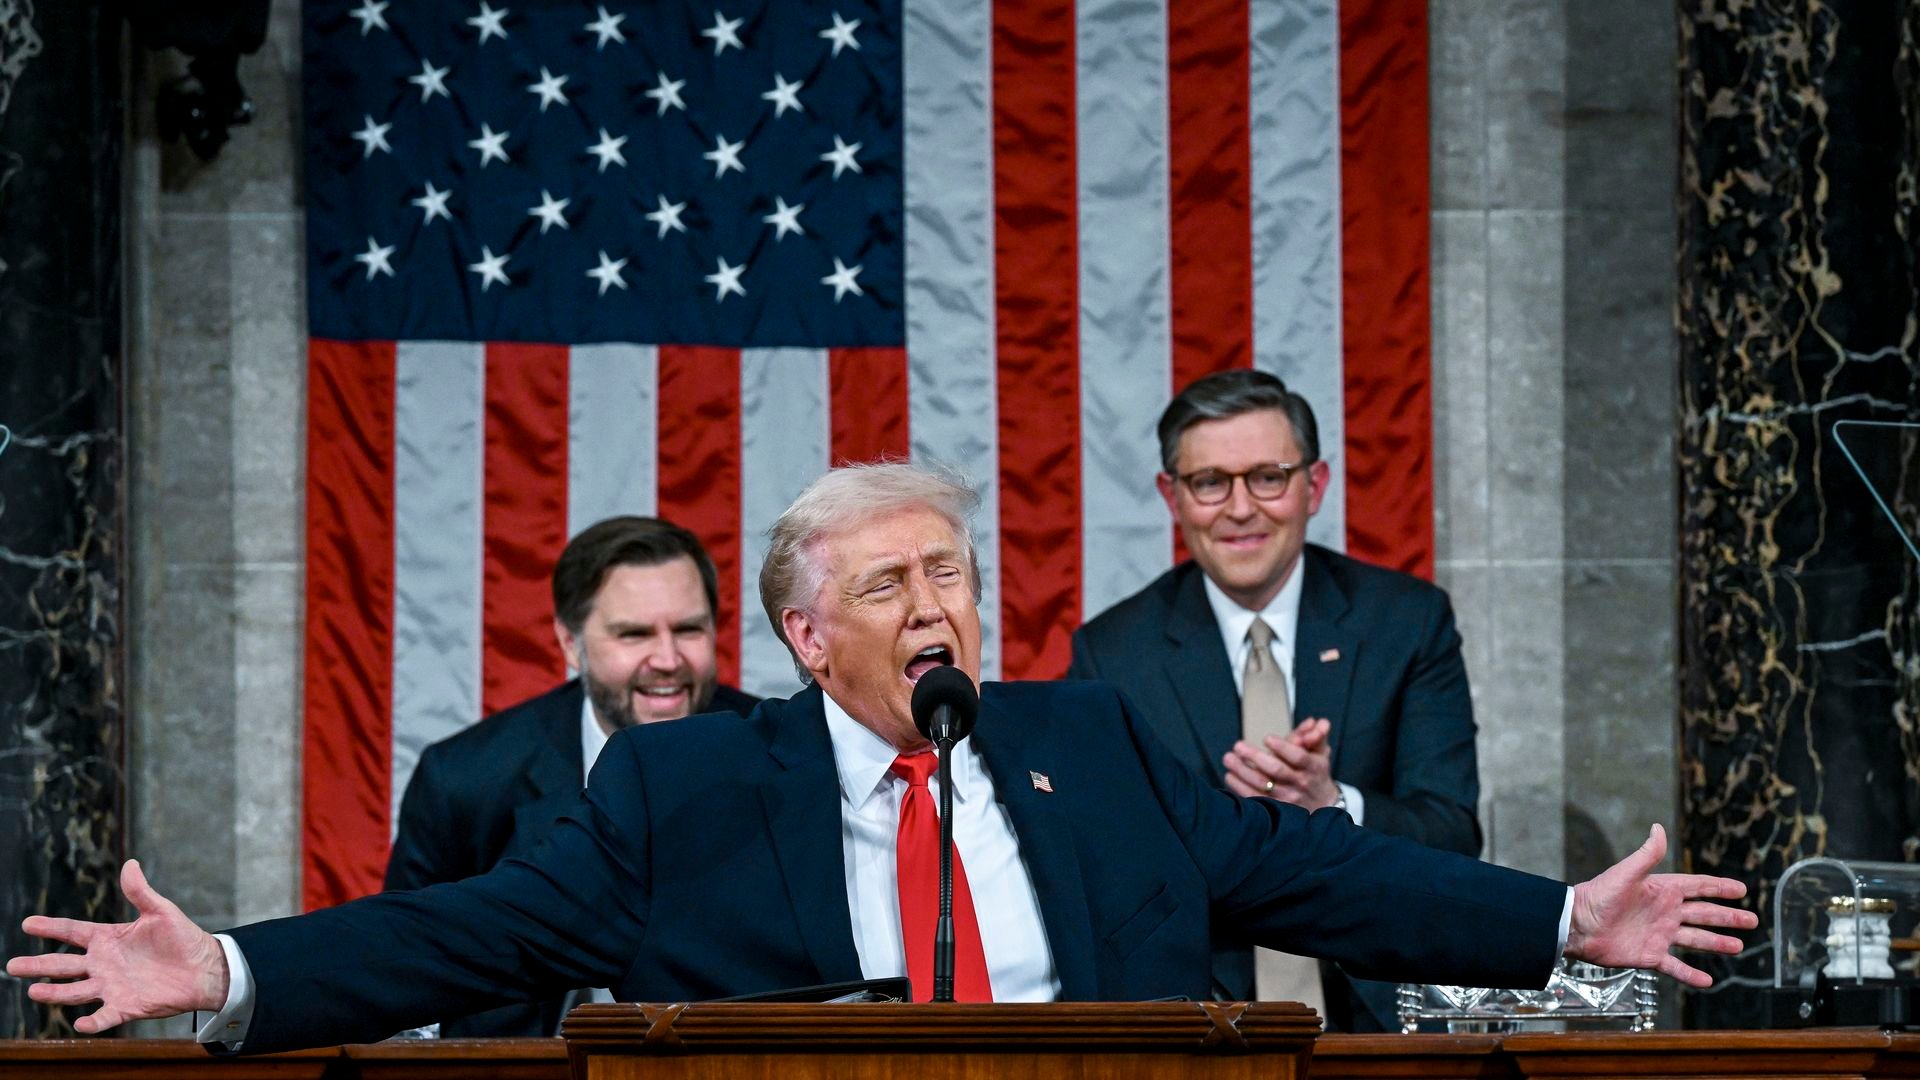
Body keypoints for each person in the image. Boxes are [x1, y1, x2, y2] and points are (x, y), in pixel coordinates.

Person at [8, 464, 1754, 1054]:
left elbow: (1322, 876)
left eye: (956, 575)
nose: (940, 607)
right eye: (893, 583)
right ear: (804, 636)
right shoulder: (688, 788)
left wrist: (1554, 926)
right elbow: (461, 935)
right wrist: (231, 968)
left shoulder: (1093, 741)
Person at [1069, 370, 1475, 1029]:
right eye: (1210, 482)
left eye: (1267, 477)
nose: (1239, 508)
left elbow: (1454, 833)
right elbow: (1099, 869)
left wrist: (1332, 806)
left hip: (1383, 1016)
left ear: (1314, 485)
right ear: (1171, 496)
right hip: (1198, 1021)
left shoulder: (1406, 623)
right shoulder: (1113, 654)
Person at [384, 515, 760, 1037]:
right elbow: (405, 967)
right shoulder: (465, 779)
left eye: (689, 629)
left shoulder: (781, 755)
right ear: (569, 641)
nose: (668, 659)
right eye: (634, 634)